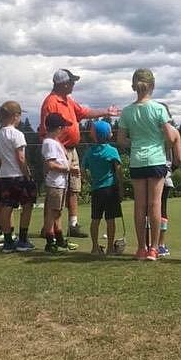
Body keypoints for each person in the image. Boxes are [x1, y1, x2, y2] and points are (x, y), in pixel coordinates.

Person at [39, 69, 119, 238]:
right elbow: (47, 130)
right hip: (59, 150)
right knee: (56, 190)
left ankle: (72, 225)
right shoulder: (51, 102)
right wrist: (57, 151)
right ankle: (50, 229)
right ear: (63, 83)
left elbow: (84, 112)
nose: (74, 84)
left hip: (71, 149)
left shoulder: (67, 100)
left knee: (73, 188)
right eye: (72, 82)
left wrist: (106, 111)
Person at [117, 69, 180, 261]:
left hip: (137, 161)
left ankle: (141, 248)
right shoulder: (159, 109)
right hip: (156, 161)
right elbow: (170, 137)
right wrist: (160, 143)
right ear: (152, 85)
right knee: (155, 205)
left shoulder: (127, 111)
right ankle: (154, 248)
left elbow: (121, 140)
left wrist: (136, 143)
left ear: (134, 86)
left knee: (140, 205)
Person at [0, 100, 37, 253]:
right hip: (18, 175)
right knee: (27, 206)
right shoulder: (17, 134)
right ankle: (23, 239)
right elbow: (21, 158)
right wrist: (27, 174)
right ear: (15, 116)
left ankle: (7, 241)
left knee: (7, 206)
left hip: (4, 175)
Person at [82, 120, 123, 256]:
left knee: (95, 219)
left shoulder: (89, 152)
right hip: (110, 189)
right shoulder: (112, 151)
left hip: (96, 189)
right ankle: (110, 248)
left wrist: (90, 181)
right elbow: (118, 171)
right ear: (107, 134)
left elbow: (82, 171)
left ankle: (94, 248)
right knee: (110, 219)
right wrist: (121, 188)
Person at [41, 112, 78, 254]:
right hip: (55, 183)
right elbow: (51, 164)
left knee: (57, 212)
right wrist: (68, 169)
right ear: (58, 128)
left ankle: (59, 239)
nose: (63, 130)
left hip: (60, 183)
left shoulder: (54, 142)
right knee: (52, 212)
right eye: (62, 127)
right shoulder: (49, 143)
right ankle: (50, 241)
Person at [156, 103, 181, 257]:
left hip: (147, 171)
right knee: (162, 210)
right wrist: (172, 169)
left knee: (147, 210)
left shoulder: (150, 131)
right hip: (165, 173)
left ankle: (147, 245)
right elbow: (178, 159)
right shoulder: (173, 132)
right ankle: (160, 245)